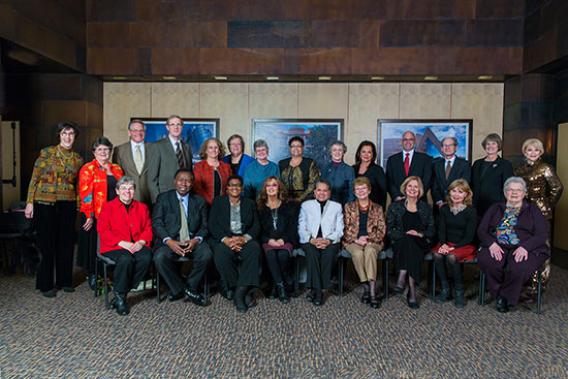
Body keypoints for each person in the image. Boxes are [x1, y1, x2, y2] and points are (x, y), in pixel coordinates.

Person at [25, 122, 84, 297]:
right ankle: (45, 284)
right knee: (46, 244)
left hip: (68, 204)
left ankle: (64, 281)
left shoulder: (78, 159)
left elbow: (79, 186)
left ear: (75, 136)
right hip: (44, 203)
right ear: (59, 135)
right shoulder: (46, 153)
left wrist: (80, 208)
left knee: (66, 243)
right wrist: (29, 202)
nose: (68, 137)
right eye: (65, 133)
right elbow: (34, 178)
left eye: (71, 134)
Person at [477, 177, 549, 313]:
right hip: (497, 244)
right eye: (510, 189)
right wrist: (491, 244)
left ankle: (504, 298)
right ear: (505, 193)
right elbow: (481, 230)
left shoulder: (532, 210)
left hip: (527, 247)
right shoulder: (496, 208)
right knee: (490, 262)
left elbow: (542, 234)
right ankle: (501, 293)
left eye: (518, 190)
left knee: (518, 267)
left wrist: (525, 247)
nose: (514, 193)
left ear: (524, 193)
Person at [152, 169, 212, 306]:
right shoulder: (163, 198)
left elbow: (205, 226)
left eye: (188, 180)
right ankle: (182, 289)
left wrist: (196, 240)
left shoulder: (199, 201)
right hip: (171, 241)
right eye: (180, 180)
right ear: (175, 181)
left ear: (192, 183)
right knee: (159, 257)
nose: (184, 184)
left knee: (206, 254)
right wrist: (169, 241)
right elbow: (157, 223)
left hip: (192, 240)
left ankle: (188, 286)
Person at [97, 177, 153, 315]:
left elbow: (148, 227)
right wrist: (122, 243)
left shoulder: (142, 207)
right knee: (126, 259)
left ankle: (120, 292)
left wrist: (141, 242)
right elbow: (103, 230)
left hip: (136, 244)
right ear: (117, 191)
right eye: (123, 188)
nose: (127, 192)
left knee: (147, 257)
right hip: (114, 246)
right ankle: (121, 297)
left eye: (130, 188)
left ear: (134, 191)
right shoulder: (108, 207)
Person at [515, 138, 563, 295]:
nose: (533, 153)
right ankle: (527, 282)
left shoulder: (545, 168)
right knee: (525, 245)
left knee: (543, 247)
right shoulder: (519, 170)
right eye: (530, 150)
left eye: (536, 150)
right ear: (524, 152)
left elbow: (557, 187)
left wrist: (547, 204)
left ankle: (539, 286)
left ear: (541, 152)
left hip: (541, 212)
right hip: (523, 211)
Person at [208, 175, 261, 313]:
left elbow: (256, 226)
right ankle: (239, 288)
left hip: (243, 238)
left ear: (242, 188)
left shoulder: (249, 203)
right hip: (225, 239)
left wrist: (244, 238)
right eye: (232, 185)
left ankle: (239, 292)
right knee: (220, 254)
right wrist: (226, 240)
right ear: (227, 189)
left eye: (238, 185)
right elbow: (212, 224)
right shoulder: (218, 202)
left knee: (254, 249)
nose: (235, 188)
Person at [78, 137, 124, 290]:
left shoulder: (117, 169)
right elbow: (85, 194)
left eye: (106, 149)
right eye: (100, 149)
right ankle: (93, 275)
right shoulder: (88, 168)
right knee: (94, 246)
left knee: (111, 244)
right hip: (97, 214)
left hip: (114, 214)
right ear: (94, 152)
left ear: (110, 152)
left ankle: (108, 274)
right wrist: (88, 215)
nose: (104, 152)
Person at [387, 176, 434, 309]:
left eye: (416, 187)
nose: (412, 189)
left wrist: (419, 234)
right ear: (405, 188)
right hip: (400, 241)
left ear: (420, 190)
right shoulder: (395, 206)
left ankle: (402, 275)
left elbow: (431, 229)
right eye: (410, 186)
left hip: (421, 241)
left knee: (411, 242)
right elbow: (389, 229)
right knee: (408, 242)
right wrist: (404, 235)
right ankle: (412, 291)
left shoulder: (425, 207)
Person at [432, 179, 477, 308]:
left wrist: (453, 247)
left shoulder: (470, 211)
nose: (456, 194)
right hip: (446, 242)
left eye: (460, 192)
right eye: (454, 191)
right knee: (437, 255)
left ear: (466, 194)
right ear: (449, 192)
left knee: (451, 257)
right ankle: (445, 288)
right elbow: (441, 229)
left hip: (464, 245)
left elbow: (469, 236)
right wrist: (444, 244)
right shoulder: (445, 208)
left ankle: (459, 291)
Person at [298, 180, 344, 306]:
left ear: (329, 193)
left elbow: (340, 229)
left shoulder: (337, 206)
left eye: (325, 190)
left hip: (330, 240)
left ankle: (315, 289)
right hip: (309, 239)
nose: (322, 193)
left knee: (327, 255)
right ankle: (319, 291)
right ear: (314, 192)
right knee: (312, 254)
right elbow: (301, 227)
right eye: (319, 190)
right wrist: (311, 239)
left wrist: (328, 240)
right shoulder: (306, 205)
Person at [342, 177, 386, 308]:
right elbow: (343, 227)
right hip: (352, 240)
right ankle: (365, 285)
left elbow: (382, 229)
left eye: (363, 188)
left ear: (369, 190)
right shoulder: (348, 207)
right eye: (358, 189)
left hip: (373, 240)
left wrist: (368, 238)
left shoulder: (377, 208)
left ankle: (371, 291)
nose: (361, 191)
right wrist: (356, 239)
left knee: (370, 250)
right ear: (354, 192)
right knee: (357, 253)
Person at [257, 176, 298, 303]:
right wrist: (268, 240)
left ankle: (275, 285)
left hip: (285, 240)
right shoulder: (259, 207)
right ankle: (282, 288)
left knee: (282, 255)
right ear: (265, 189)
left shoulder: (289, 205)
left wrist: (283, 240)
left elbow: (293, 227)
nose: (271, 188)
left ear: (279, 187)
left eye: (274, 185)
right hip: (267, 240)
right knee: (270, 255)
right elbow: (257, 229)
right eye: (268, 185)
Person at [148, 115, 193, 203]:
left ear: (182, 127)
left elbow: (189, 173)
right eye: (172, 124)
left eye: (178, 124)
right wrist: (157, 200)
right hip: (164, 196)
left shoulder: (187, 147)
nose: (176, 127)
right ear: (167, 127)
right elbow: (151, 179)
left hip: (185, 196)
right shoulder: (157, 146)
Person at [471, 133, 513, 217]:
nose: (490, 146)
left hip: (496, 206)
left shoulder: (505, 164)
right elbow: (472, 184)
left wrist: (504, 205)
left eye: (493, 143)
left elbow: (508, 186)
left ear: (498, 146)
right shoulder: (477, 163)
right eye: (488, 144)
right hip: (477, 205)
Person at [113, 119, 153, 205]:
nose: (138, 133)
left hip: (150, 197)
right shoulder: (119, 150)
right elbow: (117, 176)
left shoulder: (154, 148)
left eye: (141, 130)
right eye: (135, 130)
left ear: (145, 132)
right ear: (129, 132)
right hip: (128, 197)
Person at [386, 131, 432, 201]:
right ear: (401, 141)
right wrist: (396, 196)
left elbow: (427, 181)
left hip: (419, 201)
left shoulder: (425, 159)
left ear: (415, 141)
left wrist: (416, 196)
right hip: (398, 201)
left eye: (411, 139)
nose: (408, 142)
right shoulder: (392, 160)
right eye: (405, 139)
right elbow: (389, 181)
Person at [431, 136, 471, 209]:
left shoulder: (464, 165)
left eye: (450, 145)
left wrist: (453, 202)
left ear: (456, 148)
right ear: (442, 149)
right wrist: (439, 202)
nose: (447, 148)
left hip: (458, 206)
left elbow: (464, 186)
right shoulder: (436, 165)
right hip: (439, 207)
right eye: (445, 145)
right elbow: (434, 187)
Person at [279, 136, 320, 203]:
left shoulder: (310, 163)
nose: (296, 148)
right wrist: (284, 198)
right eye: (293, 146)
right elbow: (279, 183)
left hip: (306, 200)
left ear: (302, 148)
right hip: (285, 201)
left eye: (298, 146)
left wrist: (300, 199)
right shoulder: (282, 163)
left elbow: (313, 184)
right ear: (290, 148)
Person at [193, 138, 231, 205]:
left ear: (219, 150)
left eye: (216, 147)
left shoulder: (226, 167)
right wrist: (211, 202)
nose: (213, 150)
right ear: (206, 150)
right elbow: (197, 188)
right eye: (210, 147)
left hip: (223, 204)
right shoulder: (198, 166)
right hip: (204, 205)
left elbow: (230, 187)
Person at [353, 140, 388, 209]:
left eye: (369, 152)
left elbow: (383, 193)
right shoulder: (352, 169)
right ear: (359, 153)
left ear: (373, 154)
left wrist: (381, 210)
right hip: (355, 208)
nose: (366, 155)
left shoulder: (378, 170)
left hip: (373, 208)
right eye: (363, 152)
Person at [320, 141, 355, 205]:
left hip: (343, 204)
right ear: (331, 152)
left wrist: (349, 206)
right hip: (326, 204)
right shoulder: (324, 168)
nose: (337, 152)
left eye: (340, 150)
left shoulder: (349, 170)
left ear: (343, 152)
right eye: (334, 150)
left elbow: (351, 191)